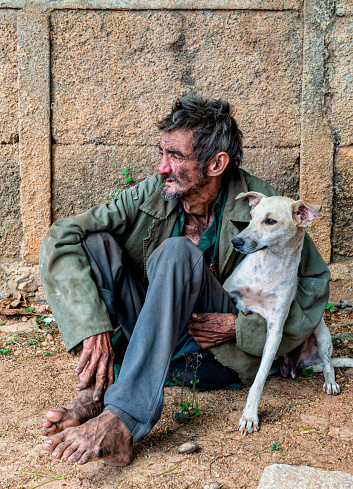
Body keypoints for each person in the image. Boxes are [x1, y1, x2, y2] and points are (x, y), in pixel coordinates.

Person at [39, 96, 329, 466]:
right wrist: (92, 328)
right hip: (154, 333)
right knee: (95, 241)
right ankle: (96, 392)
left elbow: (314, 285)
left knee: (178, 252)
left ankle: (121, 421)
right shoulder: (156, 192)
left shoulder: (266, 207)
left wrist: (240, 328)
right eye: (162, 153)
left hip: (211, 353)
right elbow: (61, 235)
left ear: (216, 163)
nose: (162, 167)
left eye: (175, 156)